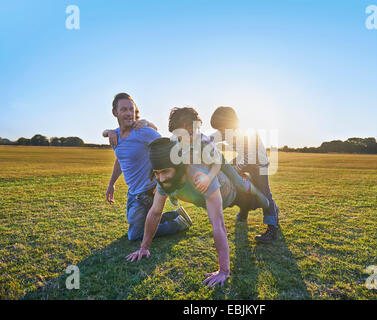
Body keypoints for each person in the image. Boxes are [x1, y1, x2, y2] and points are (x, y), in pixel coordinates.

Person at [126, 137, 266, 286]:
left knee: (255, 203)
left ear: (179, 166)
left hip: (231, 193)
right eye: (157, 172)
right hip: (213, 197)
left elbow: (218, 224)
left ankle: (252, 188)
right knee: (243, 208)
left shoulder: (199, 175)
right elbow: (155, 213)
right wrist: (144, 248)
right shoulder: (163, 181)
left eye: (165, 171)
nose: (161, 178)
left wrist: (224, 271)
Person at [103, 92, 192, 241]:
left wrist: (163, 181)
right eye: (124, 109)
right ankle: (176, 214)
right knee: (137, 222)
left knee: (135, 235)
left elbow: (167, 145)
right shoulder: (114, 136)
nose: (129, 113)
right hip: (133, 192)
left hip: (146, 192)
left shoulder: (142, 131)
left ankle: (179, 224)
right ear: (115, 112)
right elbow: (120, 161)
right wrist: (111, 184)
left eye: (131, 109)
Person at [210, 106, 279, 243]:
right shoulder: (224, 133)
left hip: (258, 162)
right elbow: (209, 139)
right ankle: (244, 211)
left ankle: (272, 228)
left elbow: (249, 156)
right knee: (239, 184)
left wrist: (235, 170)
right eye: (218, 129)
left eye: (222, 128)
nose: (221, 132)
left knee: (265, 193)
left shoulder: (245, 133)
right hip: (244, 158)